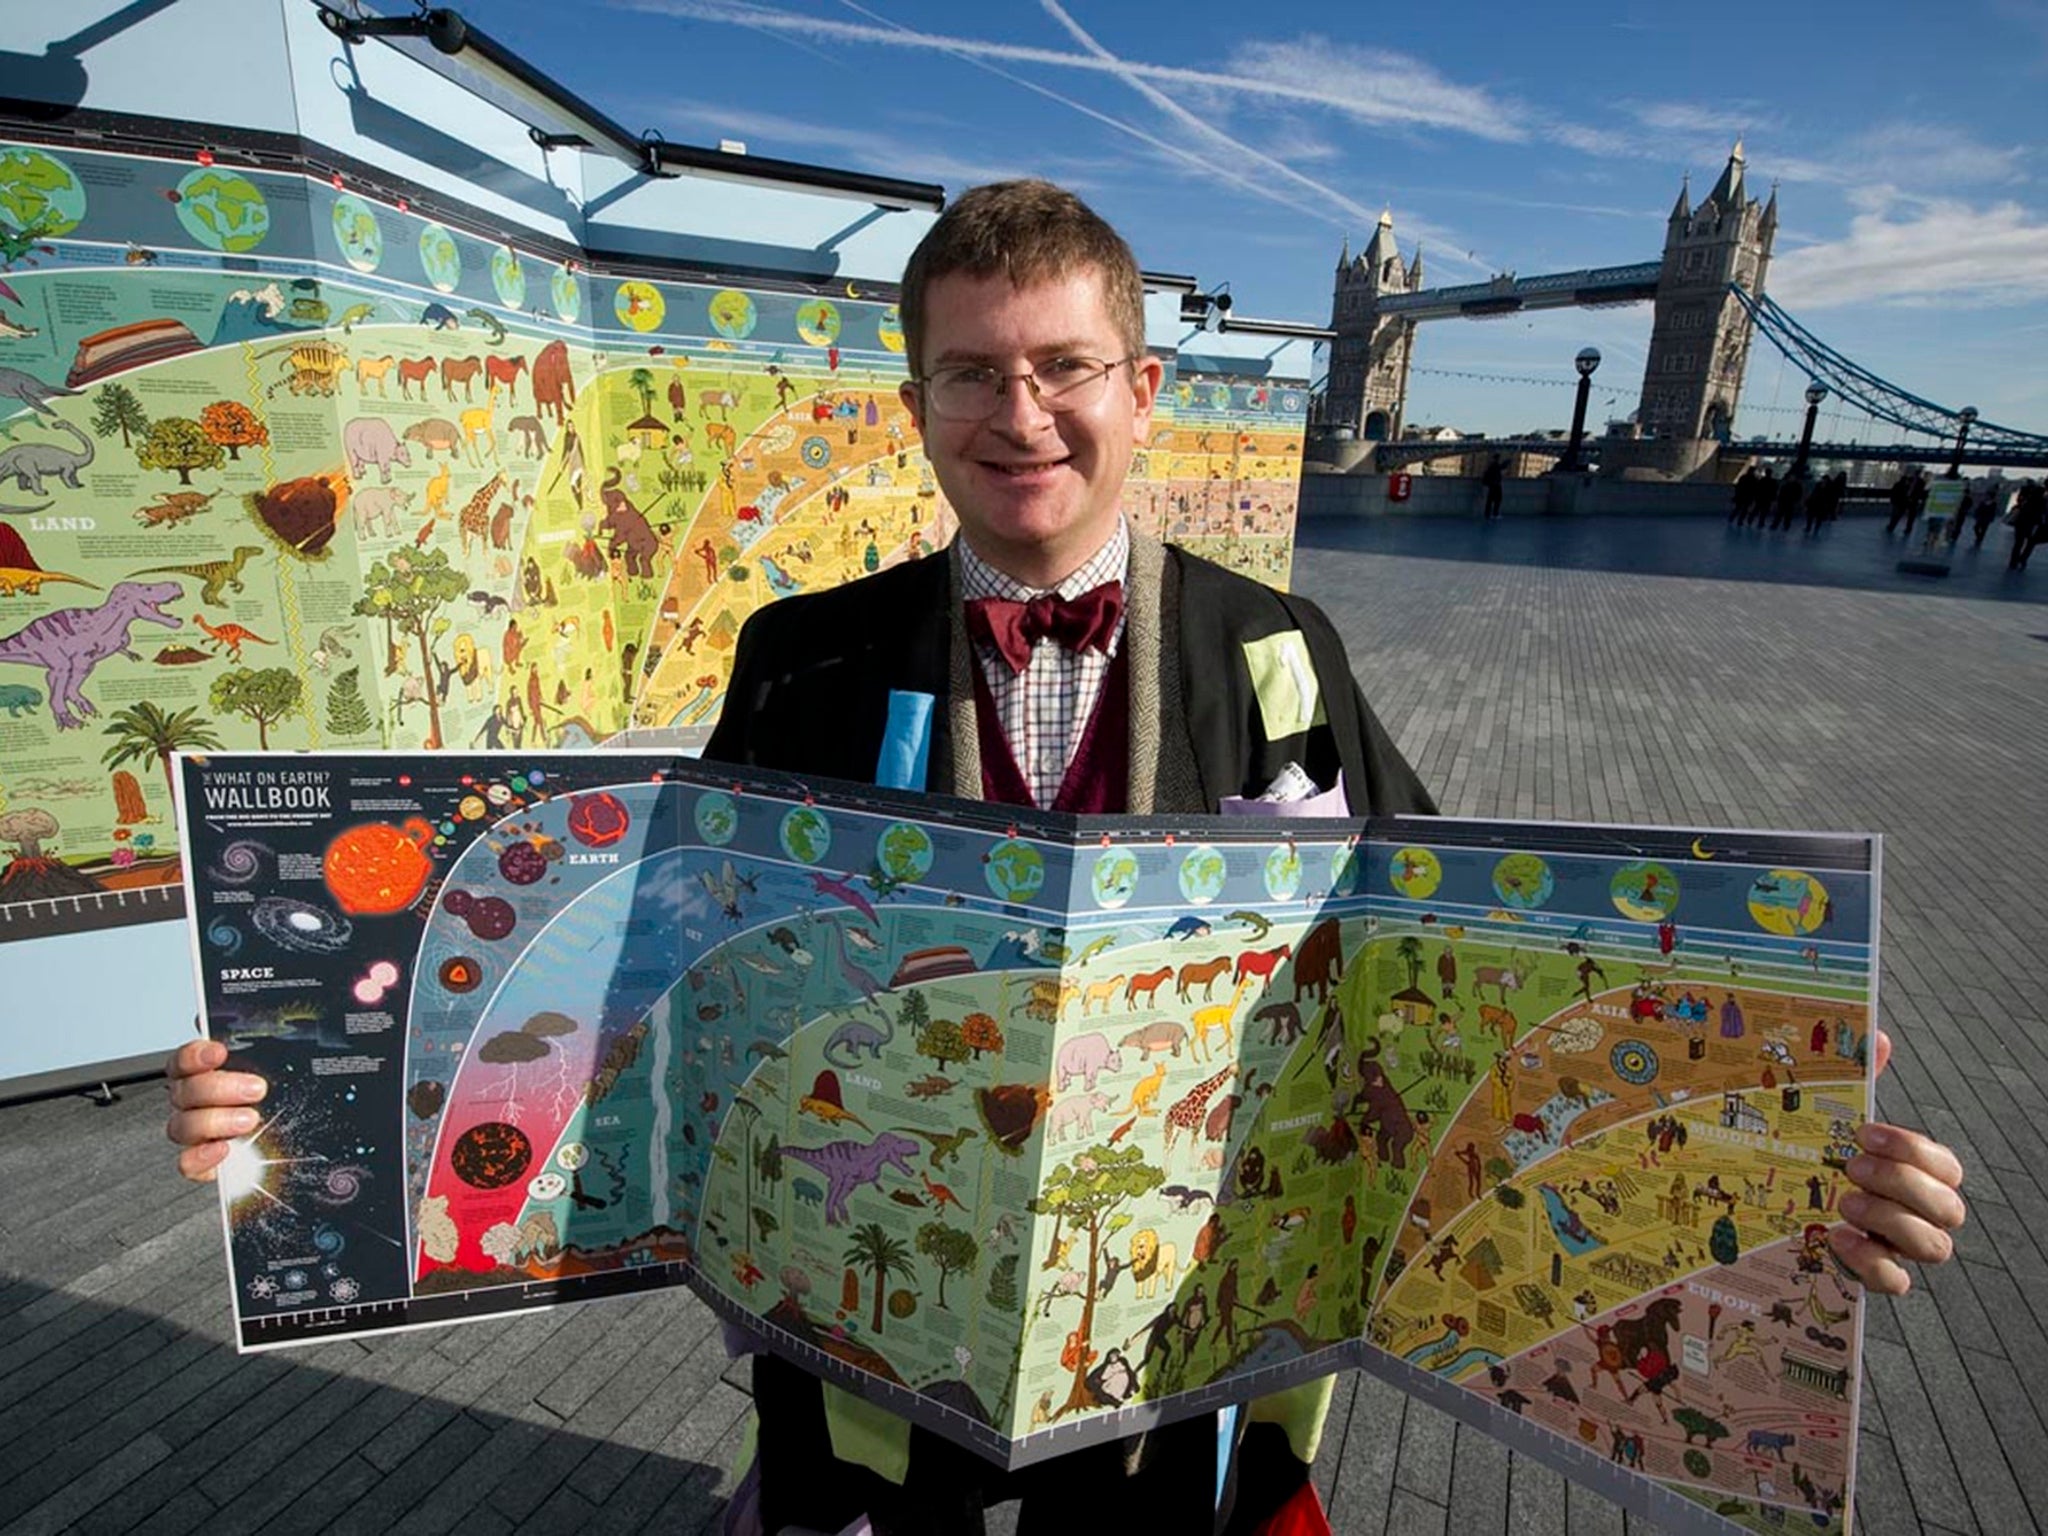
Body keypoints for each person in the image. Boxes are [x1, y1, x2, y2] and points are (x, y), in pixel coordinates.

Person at [165, 179, 1971, 1536]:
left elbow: (1450, 985)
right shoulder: (797, 651)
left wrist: (1778, 1115)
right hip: (864, 1343)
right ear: (915, 401)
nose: (1017, 415)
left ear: (1143, 385)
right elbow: (646, 975)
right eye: (968, 373)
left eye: (1060, 368)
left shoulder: (1279, 649)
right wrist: (309, 1104)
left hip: (1187, 1353)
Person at [1481, 454, 1504, 519]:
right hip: (1495, 485)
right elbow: (1499, 471)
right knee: (1497, 499)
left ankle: (1487, 514)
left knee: (1490, 499)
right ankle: (1494, 514)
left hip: (1492, 485)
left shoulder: (1491, 465)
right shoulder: (1495, 466)